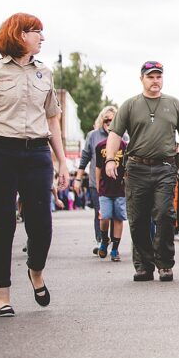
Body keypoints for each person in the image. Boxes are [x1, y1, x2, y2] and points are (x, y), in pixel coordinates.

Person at [0, 14, 71, 316]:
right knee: (4, 224)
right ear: (19, 34)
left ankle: (35, 271)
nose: (42, 37)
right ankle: (3, 295)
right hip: (0, 151)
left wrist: (62, 161)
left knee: (41, 223)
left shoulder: (46, 73)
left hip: (37, 153)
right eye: (36, 32)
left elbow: (53, 119)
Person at [104, 61, 179, 283]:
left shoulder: (173, 104)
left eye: (158, 76)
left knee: (164, 214)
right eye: (151, 77)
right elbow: (115, 133)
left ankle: (164, 263)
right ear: (142, 79)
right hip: (136, 168)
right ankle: (144, 265)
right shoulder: (130, 105)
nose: (155, 80)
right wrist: (109, 160)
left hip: (165, 167)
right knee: (138, 219)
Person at [75, 106, 118, 257]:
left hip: (117, 184)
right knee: (101, 212)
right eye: (106, 119)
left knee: (115, 214)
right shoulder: (93, 136)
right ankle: (101, 239)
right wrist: (78, 178)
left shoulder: (122, 136)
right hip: (97, 183)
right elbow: (85, 157)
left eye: (112, 120)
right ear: (102, 120)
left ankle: (113, 241)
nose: (109, 122)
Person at [95, 128, 128, 263]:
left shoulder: (125, 146)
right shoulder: (100, 146)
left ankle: (115, 248)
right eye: (107, 121)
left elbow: (127, 167)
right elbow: (98, 167)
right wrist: (98, 184)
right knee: (104, 217)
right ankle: (104, 240)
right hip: (105, 188)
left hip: (120, 189)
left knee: (118, 218)